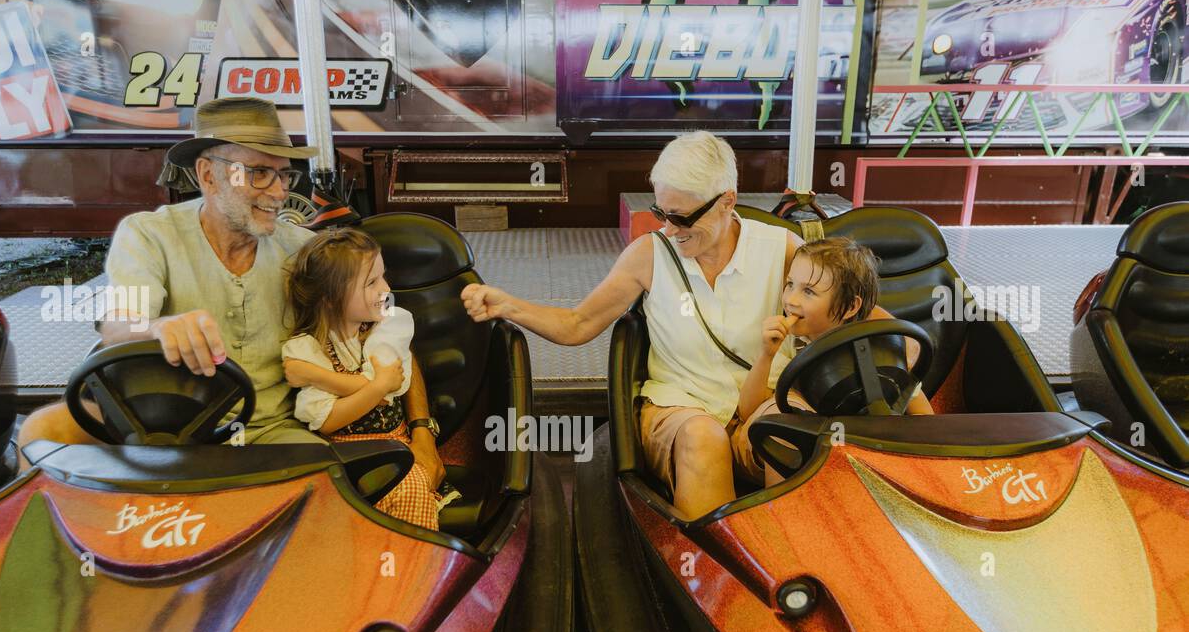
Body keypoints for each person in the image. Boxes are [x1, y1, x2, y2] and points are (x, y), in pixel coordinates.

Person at [16, 96, 445, 489]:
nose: (279, 193)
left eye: (283, 175)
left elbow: (389, 331)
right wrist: (160, 327)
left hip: (273, 434)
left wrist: (423, 431)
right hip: (165, 431)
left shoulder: (302, 250)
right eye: (260, 174)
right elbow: (119, 326)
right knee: (42, 431)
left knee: (326, 498)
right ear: (209, 174)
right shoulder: (150, 235)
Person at [461, 130, 819, 518]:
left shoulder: (781, 248)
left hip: (766, 399)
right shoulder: (649, 255)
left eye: (683, 217)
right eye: (662, 213)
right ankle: (706, 572)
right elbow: (577, 324)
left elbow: (848, 307)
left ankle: (787, 570)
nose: (670, 229)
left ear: (727, 201)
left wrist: (896, 346)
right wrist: (508, 305)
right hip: (681, 406)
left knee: (788, 430)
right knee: (703, 438)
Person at [282, 228, 453, 530]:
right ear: (332, 299)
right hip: (345, 454)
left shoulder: (385, 326)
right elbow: (327, 421)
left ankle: (411, 567)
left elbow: (392, 386)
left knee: (409, 488)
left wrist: (315, 376)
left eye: (383, 276)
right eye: (372, 282)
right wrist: (376, 385)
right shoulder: (307, 347)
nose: (386, 288)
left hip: (396, 443)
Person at [736, 237, 932, 483]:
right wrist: (766, 355)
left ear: (850, 306)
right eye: (789, 284)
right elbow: (747, 411)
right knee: (783, 430)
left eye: (808, 291)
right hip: (800, 461)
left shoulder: (876, 351)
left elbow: (921, 412)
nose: (790, 300)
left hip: (866, 463)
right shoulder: (783, 341)